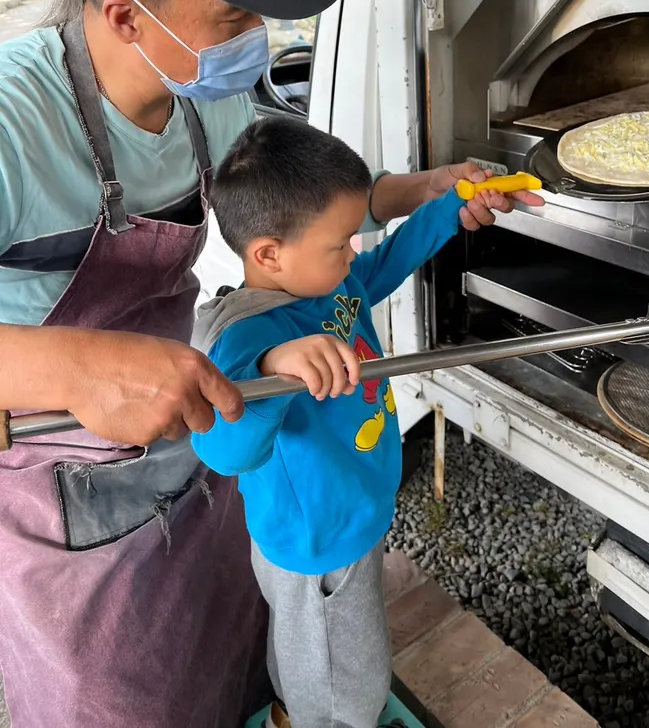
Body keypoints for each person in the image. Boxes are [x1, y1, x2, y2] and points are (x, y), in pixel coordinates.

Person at [0, 0, 542, 728]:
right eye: (233, 16)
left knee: (229, 653)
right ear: (128, 15)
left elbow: (320, 216)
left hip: (198, 417)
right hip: (56, 463)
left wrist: (428, 194)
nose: (257, 36)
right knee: (115, 694)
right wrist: (75, 367)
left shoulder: (202, 94)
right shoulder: (14, 124)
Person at [190, 117, 503, 728]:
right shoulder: (246, 333)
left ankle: (292, 709)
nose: (353, 252)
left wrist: (452, 206)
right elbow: (225, 451)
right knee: (346, 689)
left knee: (312, 658)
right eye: (340, 243)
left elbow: (390, 258)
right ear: (268, 254)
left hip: (350, 508)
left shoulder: (328, 281)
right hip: (319, 543)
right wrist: (275, 367)